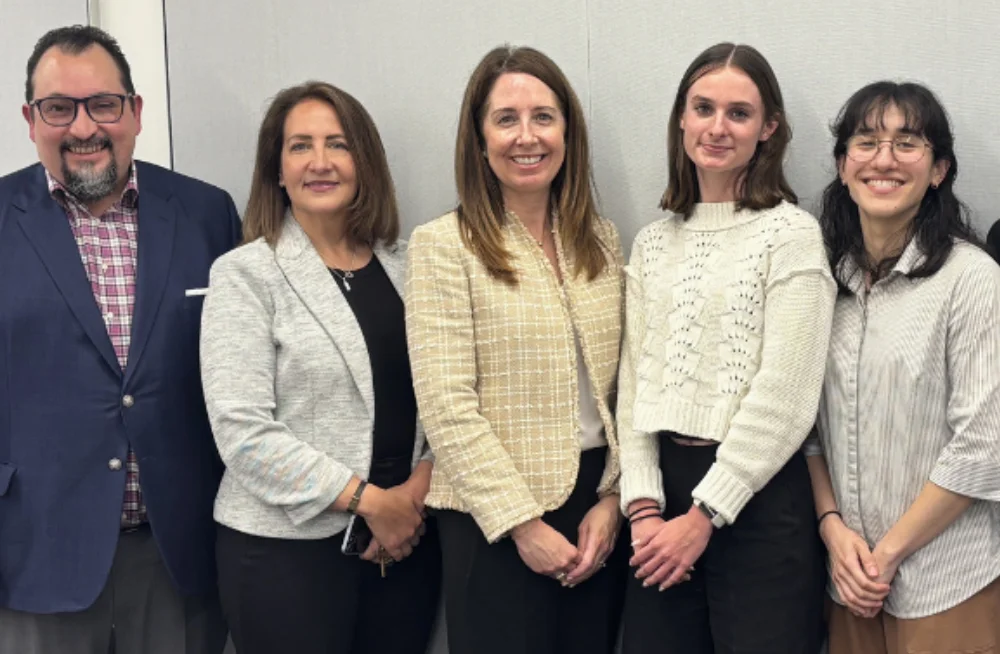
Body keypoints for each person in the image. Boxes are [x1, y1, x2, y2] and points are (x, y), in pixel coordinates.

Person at [0, 24, 240, 654]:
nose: (84, 128)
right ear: (30, 119)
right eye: (59, 108)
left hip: (179, 554)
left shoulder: (208, 214)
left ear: (135, 111)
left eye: (103, 104)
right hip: (34, 553)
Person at [200, 81, 440, 654]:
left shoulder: (413, 265)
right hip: (285, 558)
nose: (321, 162)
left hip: (408, 544)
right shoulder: (244, 276)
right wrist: (370, 501)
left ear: (365, 162)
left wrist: (415, 491)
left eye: (338, 144)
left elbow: (448, 397)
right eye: (300, 146)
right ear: (277, 170)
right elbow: (244, 435)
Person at [405, 45, 627, 654]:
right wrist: (523, 525)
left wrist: (613, 499)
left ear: (568, 133)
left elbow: (627, 384)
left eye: (543, 117)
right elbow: (445, 405)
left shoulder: (601, 243)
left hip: (595, 508)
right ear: (478, 139)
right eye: (506, 118)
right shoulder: (443, 246)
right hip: (490, 519)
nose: (526, 136)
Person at [616, 42, 835, 654]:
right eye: (703, 107)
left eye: (739, 113)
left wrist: (705, 514)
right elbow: (634, 383)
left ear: (768, 129)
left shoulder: (791, 234)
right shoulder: (653, 243)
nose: (717, 127)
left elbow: (788, 396)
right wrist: (643, 509)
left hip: (757, 499)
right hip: (661, 502)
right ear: (681, 119)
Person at [806, 81, 1000, 654]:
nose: (884, 159)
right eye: (866, 142)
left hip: (947, 580)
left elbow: (984, 446)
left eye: (907, 143)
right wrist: (833, 531)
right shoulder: (824, 283)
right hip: (845, 580)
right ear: (843, 166)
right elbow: (809, 432)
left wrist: (886, 554)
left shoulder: (972, 279)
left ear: (938, 170)